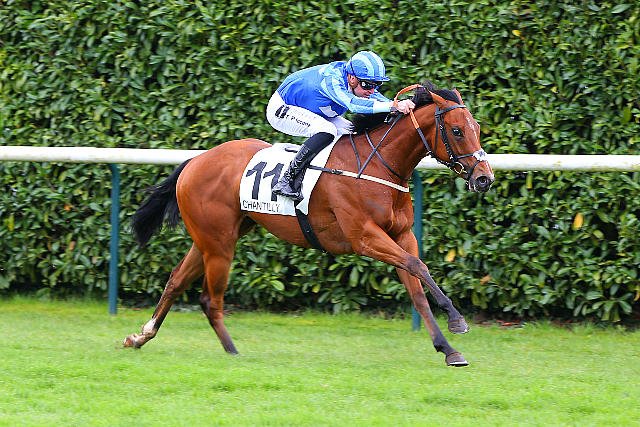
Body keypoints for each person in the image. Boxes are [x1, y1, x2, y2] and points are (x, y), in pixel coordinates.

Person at [266, 50, 416, 202]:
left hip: (315, 111)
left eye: (376, 85)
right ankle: (287, 179)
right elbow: (354, 105)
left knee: (352, 134)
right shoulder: (332, 79)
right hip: (282, 108)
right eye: (368, 85)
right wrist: (393, 106)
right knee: (327, 130)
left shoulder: (359, 82)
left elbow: (379, 99)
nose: (371, 90)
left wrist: (400, 105)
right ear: (352, 78)